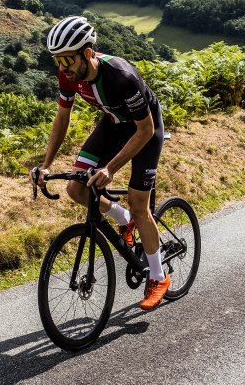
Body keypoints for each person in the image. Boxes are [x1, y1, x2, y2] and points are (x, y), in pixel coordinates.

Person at [34, 16, 170, 310]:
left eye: (67, 60)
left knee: (139, 203)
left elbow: (144, 130)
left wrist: (110, 168)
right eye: (57, 61)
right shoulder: (67, 75)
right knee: (76, 188)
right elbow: (62, 117)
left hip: (144, 129)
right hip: (112, 123)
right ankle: (123, 219)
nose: (62, 68)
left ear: (86, 53)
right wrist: (46, 164)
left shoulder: (120, 75)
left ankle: (158, 276)